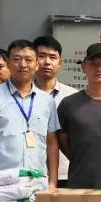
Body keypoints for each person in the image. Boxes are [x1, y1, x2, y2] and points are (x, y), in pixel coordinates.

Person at [0, 39, 60, 179]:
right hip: (0, 181)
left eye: (28, 60)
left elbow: (52, 143)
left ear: (37, 64)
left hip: (37, 181)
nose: (23, 65)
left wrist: (52, 182)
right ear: (8, 63)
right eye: (17, 59)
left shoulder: (47, 101)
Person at [49, 43, 101, 188]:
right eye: (93, 63)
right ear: (83, 67)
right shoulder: (68, 104)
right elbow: (63, 142)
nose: (99, 69)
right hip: (78, 185)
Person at [32, 36, 78, 187]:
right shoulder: (22, 96)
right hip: (32, 173)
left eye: (52, 57)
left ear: (60, 63)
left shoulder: (73, 96)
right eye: (41, 56)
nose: (47, 62)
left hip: (66, 173)